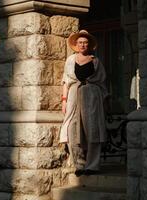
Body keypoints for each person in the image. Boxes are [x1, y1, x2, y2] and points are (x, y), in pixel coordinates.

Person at [59, 30, 108, 176]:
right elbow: (65, 81)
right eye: (80, 42)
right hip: (74, 94)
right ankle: (79, 164)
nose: (83, 45)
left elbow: (102, 82)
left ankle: (92, 165)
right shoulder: (70, 60)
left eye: (85, 42)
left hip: (92, 96)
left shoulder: (95, 61)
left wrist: (105, 101)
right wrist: (64, 100)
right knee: (73, 129)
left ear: (89, 45)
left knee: (93, 129)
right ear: (76, 44)